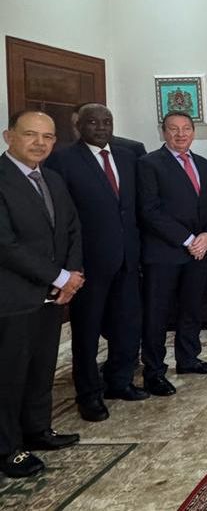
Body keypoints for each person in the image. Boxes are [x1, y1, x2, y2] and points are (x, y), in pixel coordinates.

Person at [44, 104, 147, 423]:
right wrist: (70, 264)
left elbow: (133, 208)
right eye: (93, 122)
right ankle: (88, 394)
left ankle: (119, 381)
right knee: (87, 331)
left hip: (127, 257)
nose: (101, 127)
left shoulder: (128, 156)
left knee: (126, 323)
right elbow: (63, 217)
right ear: (79, 125)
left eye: (107, 122)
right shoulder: (62, 160)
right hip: (89, 261)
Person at [1, 111, 83, 478]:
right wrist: (60, 276)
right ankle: (7, 448)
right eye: (30, 134)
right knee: (9, 375)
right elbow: (6, 245)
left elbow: (72, 228)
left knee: (41, 367)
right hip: (13, 298)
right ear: (9, 136)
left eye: (48, 137)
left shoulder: (52, 178)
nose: (40, 143)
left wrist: (72, 275)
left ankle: (37, 430)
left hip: (52, 295)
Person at [138, 111, 207, 397]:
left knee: (192, 308)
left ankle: (188, 359)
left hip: (200, 252)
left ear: (193, 132)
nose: (181, 134)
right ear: (163, 132)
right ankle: (154, 372)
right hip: (165, 253)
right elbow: (150, 211)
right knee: (157, 314)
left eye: (186, 128)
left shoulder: (204, 165)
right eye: (174, 129)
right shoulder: (149, 164)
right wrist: (188, 239)